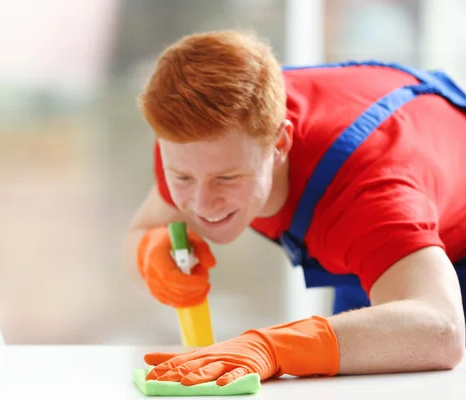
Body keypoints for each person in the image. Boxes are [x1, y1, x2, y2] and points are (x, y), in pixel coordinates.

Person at [124, 29, 466, 386]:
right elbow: (144, 228)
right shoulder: (197, 135)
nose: (200, 204)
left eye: (227, 178)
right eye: (181, 178)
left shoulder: (368, 193)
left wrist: (270, 347)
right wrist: (148, 254)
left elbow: (441, 330)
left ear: (280, 143)